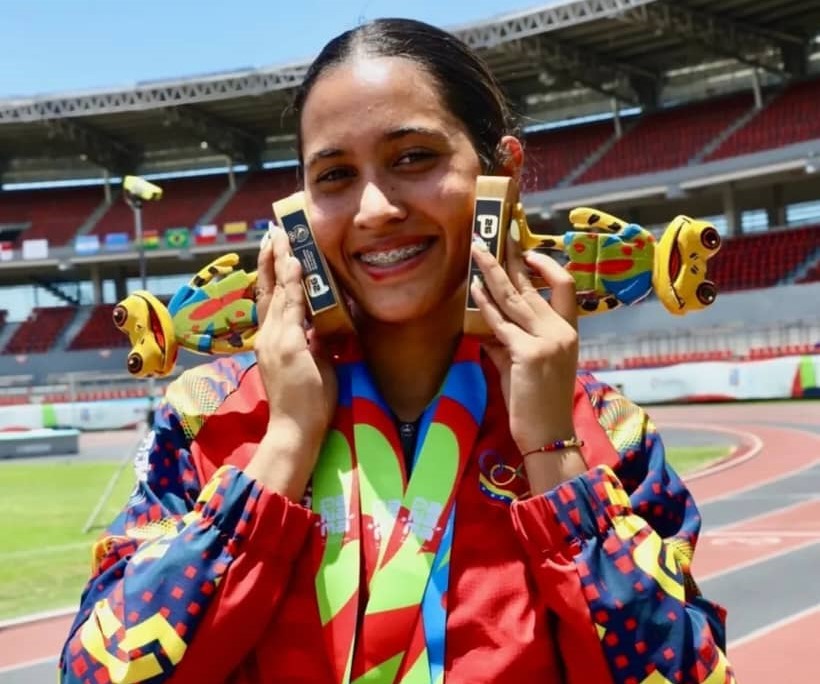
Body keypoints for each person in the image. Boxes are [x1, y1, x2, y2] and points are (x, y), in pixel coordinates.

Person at [59, 18, 735, 684]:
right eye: (335, 175)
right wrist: (285, 443)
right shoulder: (212, 418)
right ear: (298, 211)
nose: (375, 209)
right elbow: (95, 677)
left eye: (414, 158)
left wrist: (555, 458)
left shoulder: (604, 429)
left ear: (503, 172)